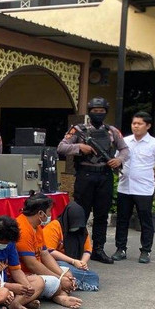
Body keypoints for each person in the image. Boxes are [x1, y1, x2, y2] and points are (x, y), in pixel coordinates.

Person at [57, 97, 129, 263]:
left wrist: (118, 160)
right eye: (95, 111)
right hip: (85, 175)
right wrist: (79, 147)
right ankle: (77, 249)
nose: (98, 114)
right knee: (80, 214)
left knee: (102, 215)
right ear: (89, 112)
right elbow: (61, 147)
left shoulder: (112, 131)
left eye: (101, 111)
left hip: (105, 176)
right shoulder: (78, 130)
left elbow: (125, 149)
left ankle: (98, 249)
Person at [112, 112, 155, 264]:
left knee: (145, 220)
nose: (135, 126)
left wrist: (152, 178)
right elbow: (118, 160)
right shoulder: (125, 141)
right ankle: (120, 249)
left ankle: (145, 251)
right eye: (134, 123)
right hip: (125, 187)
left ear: (148, 126)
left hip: (144, 189)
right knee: (122, 219)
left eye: (139, 123)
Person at [15, 193, 82, 309]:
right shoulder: (23, 229)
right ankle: (16, 304)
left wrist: (62, 275)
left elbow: (45, 254)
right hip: (24, 274)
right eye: (49, 211)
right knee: (53, 282)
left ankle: (58, 296)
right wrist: (59, 279)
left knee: (68, 274)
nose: (51, 214)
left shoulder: (37, 226)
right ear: (40, 213)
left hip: (36, 271)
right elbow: (32, 264)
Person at [0, 215, 46, 309]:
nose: (6, 246)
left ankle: (14, 304)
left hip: (6, 283)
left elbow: (15, 270)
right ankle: (13, 302)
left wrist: (27, 286)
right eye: (3, 243)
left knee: (38, 281)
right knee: (2, 294)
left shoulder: (9, 242)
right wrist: (8, 287)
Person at [44, 201, 100, 291]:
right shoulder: (54, 226)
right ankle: (68, 282)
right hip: (56, 262)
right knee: (65, 268)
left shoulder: (82, 229)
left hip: (74, 265)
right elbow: (49, 251)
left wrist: (82, 263)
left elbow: (87, 250)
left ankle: (69, 282)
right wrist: (73, 261)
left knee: (93, 277)